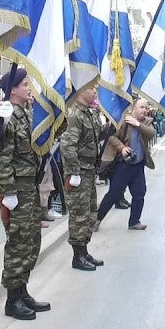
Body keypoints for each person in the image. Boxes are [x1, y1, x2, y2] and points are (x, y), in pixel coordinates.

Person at [0, 66, 50, 321]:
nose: (29, 88)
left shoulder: (24, 114)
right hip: (17, 189)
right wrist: (8, 192)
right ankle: (12, 299)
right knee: (18, 244)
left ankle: (22, 290)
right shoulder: (7, 117)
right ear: (12, 89)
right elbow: (0, 159)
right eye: (25, 84)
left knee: (31, 242)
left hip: (29, 188)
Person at [60, 84, 105, 271]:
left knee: (89, 213)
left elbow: (94, 138)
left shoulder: (90, 113)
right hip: (79, 172)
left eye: (96, 88)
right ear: (80, 90)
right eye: (91, 87)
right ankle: (77, 256)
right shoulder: (75, 114)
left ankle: (84, 251)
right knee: (79, 215)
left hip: (89, 170)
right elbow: (67, 145)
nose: (95, 91)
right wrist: (74, 172)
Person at [96, 98, 155, 231]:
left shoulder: (146, 122)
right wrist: (122, 148)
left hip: (138, 166)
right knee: (113, 194)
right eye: (141, 107)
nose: (144, 110)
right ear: (133, 108)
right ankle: (97, 219)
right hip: (123, 166)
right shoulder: (123, 121)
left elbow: (152, 133)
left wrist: (138, 124)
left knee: (139, 194)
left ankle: (134, 221)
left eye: (146, 108)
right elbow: (111, 136)